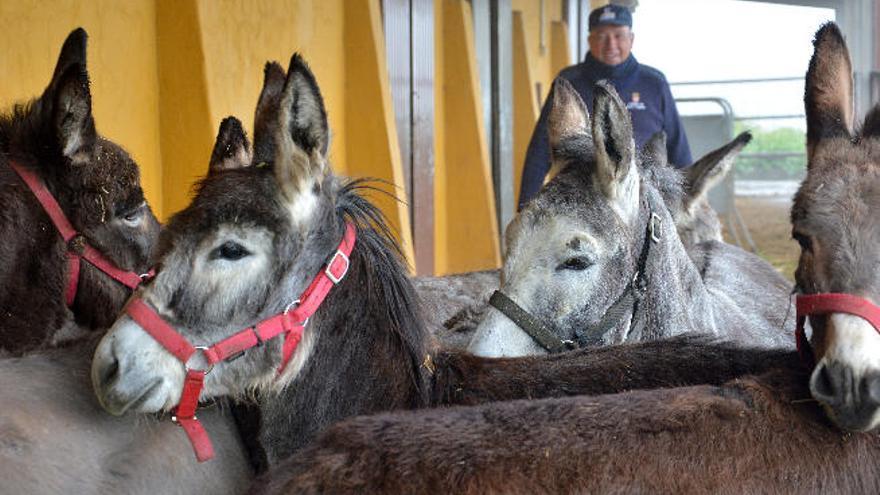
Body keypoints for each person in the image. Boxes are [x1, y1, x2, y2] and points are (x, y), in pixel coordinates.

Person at [518, 3, 692, 208]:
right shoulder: (569, 81)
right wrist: (525, 205)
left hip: (644, 200)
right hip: (582, 201)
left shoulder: (654, 83)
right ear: (590, 40)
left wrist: (688, 205)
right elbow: (540, 149)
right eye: (601, 36)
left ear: (631, 39)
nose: (611, 44)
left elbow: (678, 149)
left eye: (618, 36)